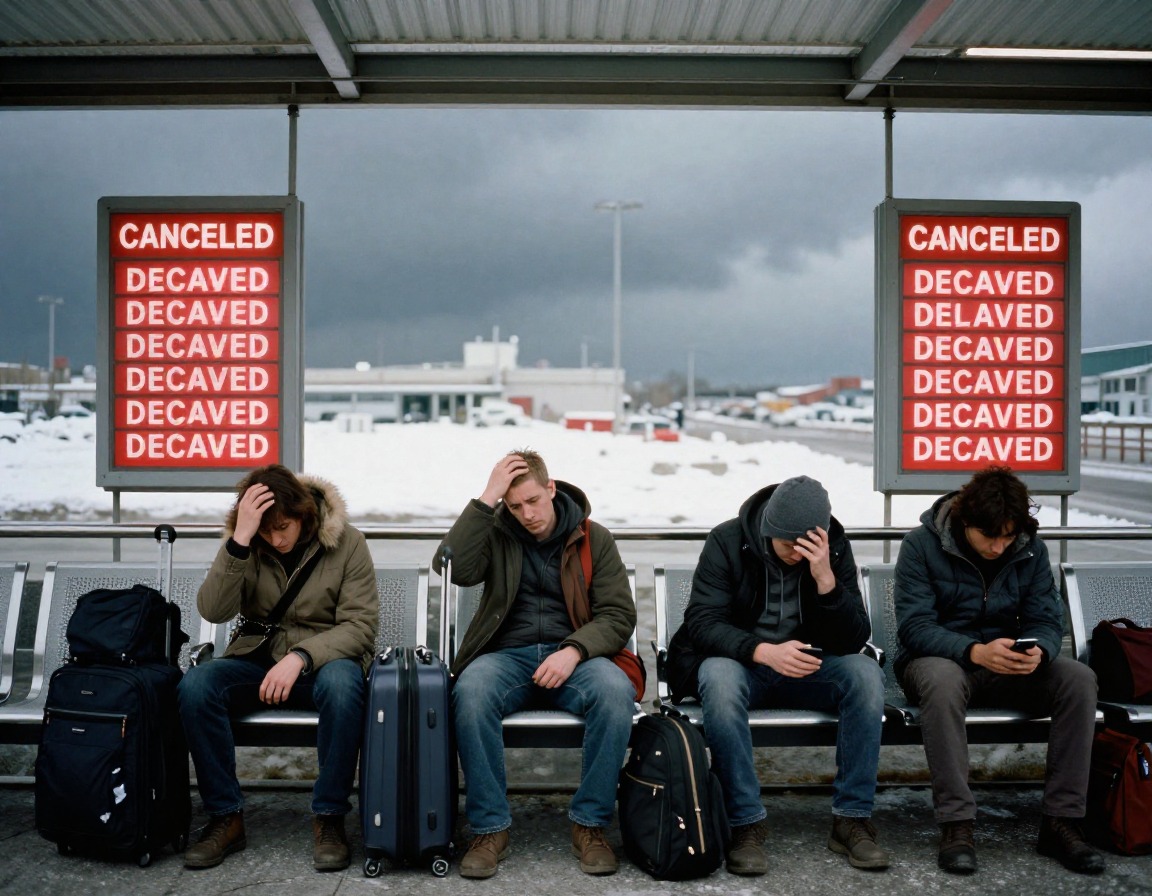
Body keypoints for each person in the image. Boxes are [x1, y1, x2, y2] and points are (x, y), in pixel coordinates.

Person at [666, 475, 889, 875]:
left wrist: (826, 580)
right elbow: (702, 621)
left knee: (865, 674)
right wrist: (762, 651)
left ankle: (851, 819)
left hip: (806, 668)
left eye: (806, 547)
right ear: (769, 530)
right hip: (744, 666)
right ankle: (745, 824)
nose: (795, 554)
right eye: (788, 544)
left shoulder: (832, 550)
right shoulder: (728, 540)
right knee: (717, 677)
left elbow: (854, 636)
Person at [893, 465, 1104, 875]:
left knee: (1079, 679)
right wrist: (973, 651)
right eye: (990, 537)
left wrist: (1039, 651)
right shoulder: (920, 545)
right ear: (965, 521)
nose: (998, 547)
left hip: (1008, 664)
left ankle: (1062, 822)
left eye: (1008, 537)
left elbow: (1047, 620)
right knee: (941, 679)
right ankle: (957, 824)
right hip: (941, 662)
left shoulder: (1029, 549)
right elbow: (915, 628)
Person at [436, 449, 636, 879]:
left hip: (576, 657)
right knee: (470, 692)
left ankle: (590, 825)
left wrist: (575, 650)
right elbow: (451, 567)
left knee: (615, 692)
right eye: (514, 506)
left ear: (551, 489)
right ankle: (490, 828)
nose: (526, 514)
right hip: (508, 656)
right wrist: (487, 498)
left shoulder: (592, 536)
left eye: (532, 501)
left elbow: (618, 616)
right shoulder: (497, 532)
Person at [178, 464, 378, 872]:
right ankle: (225, 817)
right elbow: (213, 609)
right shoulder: (248, 542)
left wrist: (301, 656)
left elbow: (360, 626)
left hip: (326, 660)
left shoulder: (348, 542)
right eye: (265, 530)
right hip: (257, 657)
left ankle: (329, 816)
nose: (276, 538)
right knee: (197, 686)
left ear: (303, 514)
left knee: (345, 688)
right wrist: (239, 540)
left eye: (282, 527)